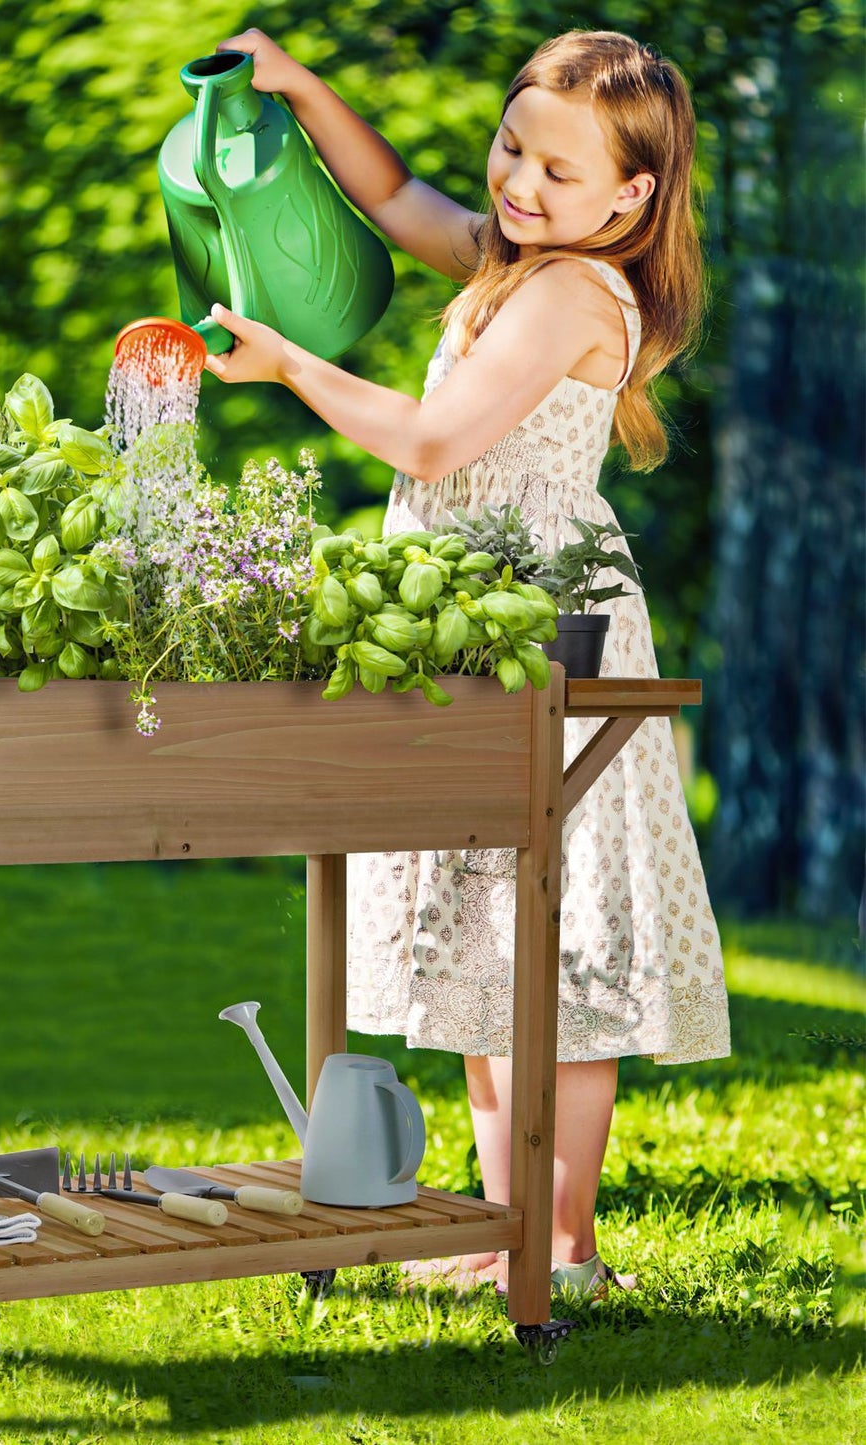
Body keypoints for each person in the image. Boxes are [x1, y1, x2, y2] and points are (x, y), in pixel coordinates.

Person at [205, 27, 731, 1299]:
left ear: (629, 197)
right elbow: (387, 197)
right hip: (474, 623)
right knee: (488, 952)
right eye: (509, 149)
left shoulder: (567, 291)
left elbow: (435, 440)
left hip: (542, 624)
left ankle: (562, 1248)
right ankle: (504, 1234)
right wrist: (297, 86)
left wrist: (291, 367)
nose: (517, 185)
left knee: (554, 951)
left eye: (557, 172)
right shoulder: (517, 258)